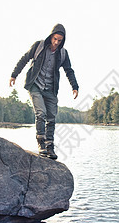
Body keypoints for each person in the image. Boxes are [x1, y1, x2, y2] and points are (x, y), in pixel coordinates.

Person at [9, 24, 79, 159]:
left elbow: (68, 70)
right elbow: (25, 58)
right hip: (35, 85)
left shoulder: (63, 53)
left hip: (50, 89)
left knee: (51, 117)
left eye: (59, 40)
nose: (56, 42)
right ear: (51, 36)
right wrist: (14, 74)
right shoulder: (39, 46)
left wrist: (74, 86)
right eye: (55, 39)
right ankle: (41, 143)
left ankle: (50, 146)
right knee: (41, 113)